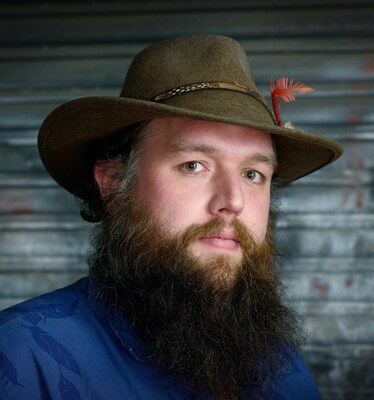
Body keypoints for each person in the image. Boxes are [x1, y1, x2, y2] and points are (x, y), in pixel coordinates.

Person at [0, 35, 342, 399]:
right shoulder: (23, 357)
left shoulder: (283, 366)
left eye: (252, 174)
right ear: (113, 182)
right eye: (193, 165)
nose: (233, 202)